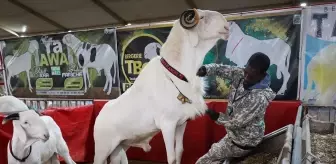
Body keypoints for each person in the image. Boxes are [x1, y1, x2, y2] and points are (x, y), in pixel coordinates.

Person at [195, 52, 276, 164]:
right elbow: (222, 69)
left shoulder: (259, 98)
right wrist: (206, 69)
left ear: (262, 75)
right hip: (234, 135)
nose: (246, 78)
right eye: (246, 72)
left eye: (251, 76)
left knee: (204, 161)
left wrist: (215, 116)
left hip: (243, 142)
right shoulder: (241, 74)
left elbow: (236, 123)